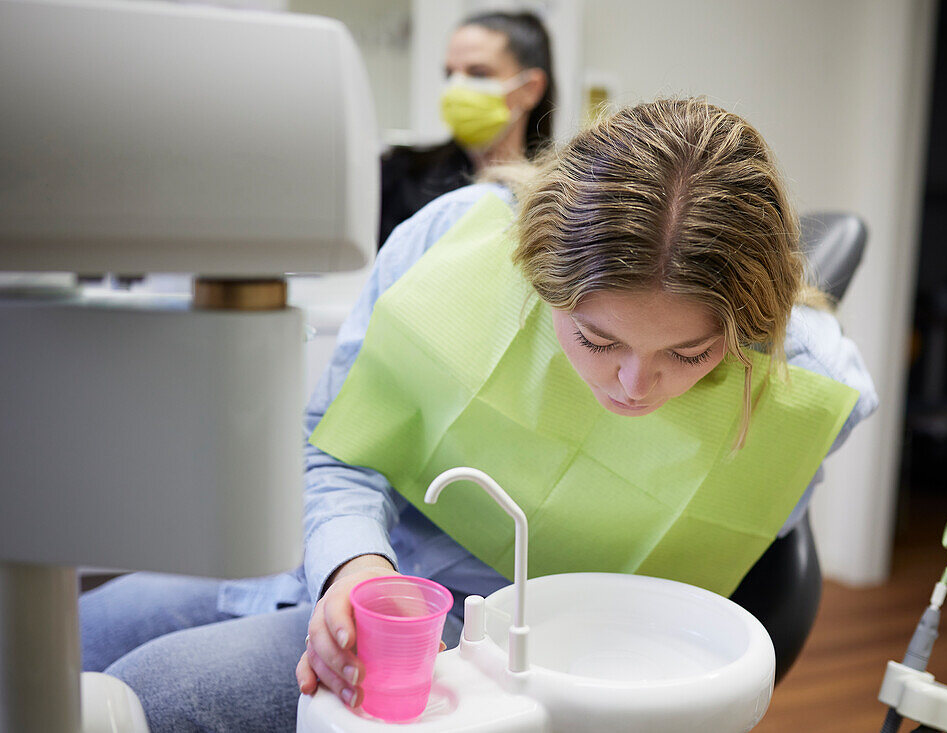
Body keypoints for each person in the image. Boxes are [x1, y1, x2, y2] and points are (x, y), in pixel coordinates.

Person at [80, 98, 877, 732]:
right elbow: (335, 451)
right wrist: (354, 565)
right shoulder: (450, 251)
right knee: (74, 634)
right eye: (596, 339)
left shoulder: (802, 383)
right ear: (537, 274)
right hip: (368, 569)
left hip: (519, 644)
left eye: (689, 355)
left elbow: (743, 547)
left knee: (153, 695)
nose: (636, 384)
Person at [377, 10, 555, 246]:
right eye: (450, 74)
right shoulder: (402, 176)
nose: (457, 87)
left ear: (530, 89)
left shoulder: (556, 194)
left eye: (478, 73)